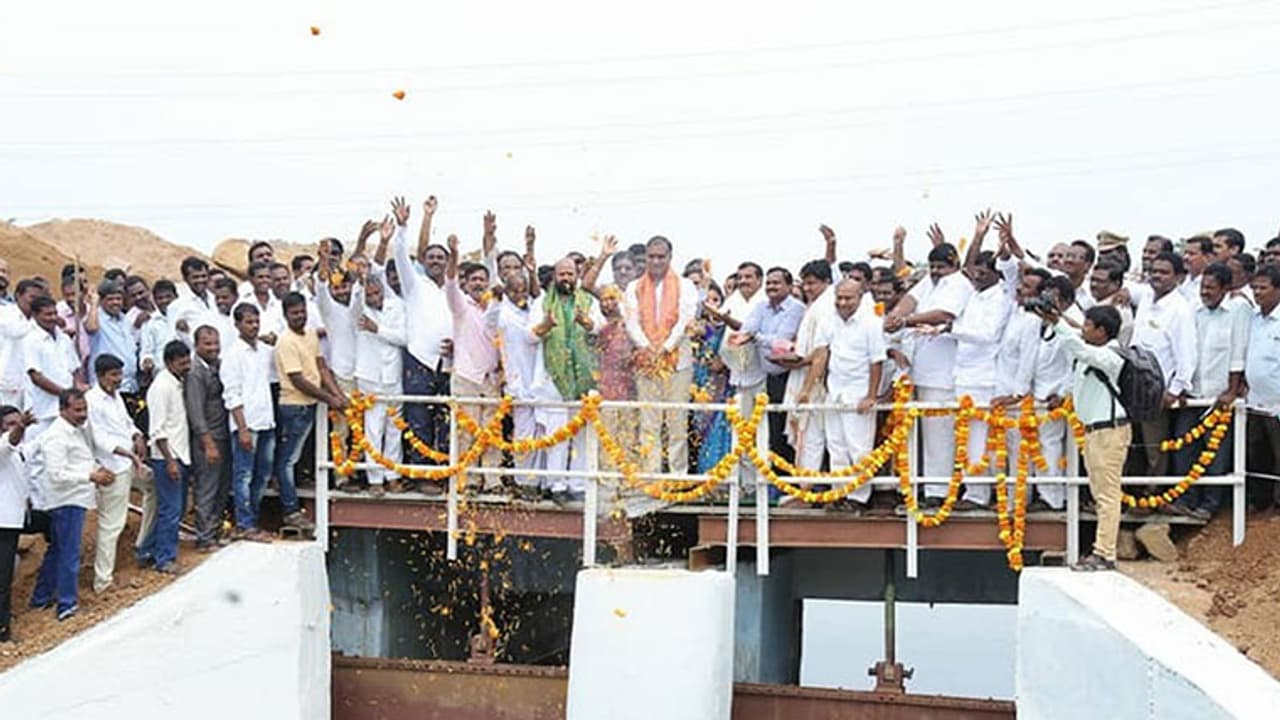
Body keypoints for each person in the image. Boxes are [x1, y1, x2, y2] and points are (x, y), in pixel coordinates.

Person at [1041, 304, 1129, 571]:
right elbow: (1077, 378)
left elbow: (1077, 347)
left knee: (1107, 495)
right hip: (1095, 431)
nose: (1084, 330)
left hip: (1109, 431)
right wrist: (1062, 397)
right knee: (1101, 492)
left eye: (1088, 326)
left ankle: (1105, 553)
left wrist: (1057, 322)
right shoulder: (1092, 355)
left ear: (1102, 331)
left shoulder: (1111, 355)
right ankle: (1102, 551)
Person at [884, 243, 972, 506]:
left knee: (940, 436)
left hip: (943, 374)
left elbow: (944, 314)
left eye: (941, 267)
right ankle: (921, 488)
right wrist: (894, 316)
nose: (936, 271)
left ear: (954, 265)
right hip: (919, 371)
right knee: (921, 436)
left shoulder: (958, 284)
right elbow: (909, 300)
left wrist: (904, 321)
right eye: (932, 266)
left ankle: (939, 493)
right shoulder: (930, 282)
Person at [1170, 263, 1247, 520]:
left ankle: (1209, 505)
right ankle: (1185, 499)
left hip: (1219, 396)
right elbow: (1185, 351)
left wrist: (1232, 390)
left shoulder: (1238, 310)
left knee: (1215, 453)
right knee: (1184, 448)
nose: (1205, 292)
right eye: (1203, 287)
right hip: (1193, 393)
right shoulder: (1194, 310)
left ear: (1226, 288)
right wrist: (1180, 386)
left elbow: (1238, 353)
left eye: (1211, 288)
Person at [31, 389, 115, 618]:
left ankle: (41, 597)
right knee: (69, 553)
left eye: (84, 409)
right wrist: (91, 476)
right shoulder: (57, 436)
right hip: (66, 501)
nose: (83, 414)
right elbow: (56, 474)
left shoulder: (76, 431)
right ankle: (67, 605)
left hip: (74, 498)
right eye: (77, 410)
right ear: (62, 410)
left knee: (58, 550)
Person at [804, 279, 886, 509]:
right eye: (839, 298)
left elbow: (876, 361)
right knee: (836, 446)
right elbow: (820, 356)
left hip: (859, 393)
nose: (843, 302)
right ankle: (838, 493)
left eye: (848, 298)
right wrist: (806, 390)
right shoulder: (829, 321)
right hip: (835, 392)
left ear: (860, 297)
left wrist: (871, 395)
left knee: (859, 448)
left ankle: (858, 497)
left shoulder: (871, 323)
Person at [624, 236, 699, 474]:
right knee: (649, 422)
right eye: (651, 256)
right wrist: (648, 347)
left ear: (670, 257)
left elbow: (685, 320)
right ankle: (651, 476)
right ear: (645, 257)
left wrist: (665, 348)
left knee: (677, 422)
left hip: (678, 363)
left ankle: (678, 475)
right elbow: (631, 322)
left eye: (661, 256)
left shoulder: (685, 285)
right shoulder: (633, 287)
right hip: (646, 363)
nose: (656, 261)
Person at [391, 197, 454, 463]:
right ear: (423, 261)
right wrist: (403, 227)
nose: (436, 261)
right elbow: (400, 255)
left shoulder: (454, 288)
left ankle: (442, 472)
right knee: (418, 418)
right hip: (418, 360)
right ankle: (421, 472)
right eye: (431, 257)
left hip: (449, 363)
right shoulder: (414, 284)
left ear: (449, 262)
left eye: (441, 257)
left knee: (446, 419)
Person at [535, 257, 603, 498]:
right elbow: (530, 335)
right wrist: (545, 324)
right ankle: (556, 484)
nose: (566, 278)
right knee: (558, 433)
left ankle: (578, 484)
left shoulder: (588, 301)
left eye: (570, 274)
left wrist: (587, 322)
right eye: (561, 274)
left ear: (577, 276)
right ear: (555, 276)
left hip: (583, 377)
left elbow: (600, 329)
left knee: (582, 433)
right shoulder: (541, 302)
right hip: (553, 378)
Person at [947, 249, 1009, 508]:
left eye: (984, 273)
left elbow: (988, 334)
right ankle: (976, 491)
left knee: (982, 439)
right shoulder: (974, 295)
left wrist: (952, 330)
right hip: (964, 375)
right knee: (967, 436)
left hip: (985, 377)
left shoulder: (1001, 298)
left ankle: (979, 494)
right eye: (975, 273)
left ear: (997, 274)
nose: (978, 277)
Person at [275, 292, 341, 527]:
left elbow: (322, 366)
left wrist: (337, 394)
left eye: (302, 311)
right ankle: (291, 511)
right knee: (287, 461)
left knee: (297, 458)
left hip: (310, 405)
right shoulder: (285, 341)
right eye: (294, 313)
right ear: (285, 315)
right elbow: (297, 379)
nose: (300, 316)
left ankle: (293, 505)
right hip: (294, 406)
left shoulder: (311, 334)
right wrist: (329, 398)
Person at [1129, 252, 1197, 479]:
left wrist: (1174, 390)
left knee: (1154, 448)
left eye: (1164, 272)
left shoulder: (1180, 310)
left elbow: (1186, 355)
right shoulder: (1147, 298)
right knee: (1133, 446)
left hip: (1157, 392)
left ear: (1178, 277)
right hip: (1133, 387)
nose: (1157, 276)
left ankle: (1154, 493)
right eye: (1154, 271)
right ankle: (1136, 494)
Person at [85, 353, 147, 592]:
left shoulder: (116, 397)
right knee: (112, 525)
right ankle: (103, 581)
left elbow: (125, 423)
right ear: (100, 376)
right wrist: (129, 454)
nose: (118, 379)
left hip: (129, 463)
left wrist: (137, 435)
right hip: (112, 466)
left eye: (120, 374)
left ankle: (143, 545)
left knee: (155, 489)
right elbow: (99, 439)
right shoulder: (92, 400)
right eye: (113, 375)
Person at [445, 232, 502, 481]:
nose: (479, 284)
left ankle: (492, 481)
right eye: (474, 280)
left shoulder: (496, 307)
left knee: (491, 431)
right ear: (466, 284)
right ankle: (466, 482)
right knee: (466, 432)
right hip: (466, 377)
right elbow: (449, 282)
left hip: (492, 379)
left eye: (483, 280)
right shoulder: (460, 306)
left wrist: (489, 237)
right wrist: (455, 255)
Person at [738, 267, 805, 469]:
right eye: (768, 283)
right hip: (768, 377)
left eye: (776, 283)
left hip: (791, 375)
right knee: (773, 430)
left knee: (790, 429)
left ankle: (794, 482)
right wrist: (750, 334)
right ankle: (777, 482)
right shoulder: (761, 307)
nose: (771, 287)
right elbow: (747, 328)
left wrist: (755, 337)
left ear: (789, 286)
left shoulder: (797, 308)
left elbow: (781, 342)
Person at [221, 304, 277, 537]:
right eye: (248, 322)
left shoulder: (263, 350)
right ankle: (244, 523)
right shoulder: (232, 355)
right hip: (247, 425)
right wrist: (242, 428)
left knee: (263, 474)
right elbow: (231, 395)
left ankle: (251, 519)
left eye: (256, 322)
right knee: (244, 475)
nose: (254, 326)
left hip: (266, 421)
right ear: (237, 324)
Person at [351, 270, 407, 495]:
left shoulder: (397, 306)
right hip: (370, 376)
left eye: (377, 293)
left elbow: (403, 338)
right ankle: (375, 480)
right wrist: (359, 281)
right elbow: (355, 298)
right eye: (370, 295)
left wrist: (378, 330)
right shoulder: (358, 310)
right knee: (373, 428)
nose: (374, 298)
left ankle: (392, 476)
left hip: (393, 375)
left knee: (394, 428)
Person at [139, 341, 192, 574]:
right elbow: (157, 430)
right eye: (182, 362)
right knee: (171, 510)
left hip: (179, 453)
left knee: (172, 508)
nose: (187, 366)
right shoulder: (161, 387)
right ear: (170, 362)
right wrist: (170, 461)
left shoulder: (175, 383)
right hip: (167, 457)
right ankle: (165, 559)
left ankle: (147, 550)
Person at [185, 326, 232, 551]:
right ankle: (203, 537)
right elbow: (196, 412)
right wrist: (208, 443)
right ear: (197, 345)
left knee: (222, 487)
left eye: (215, 343)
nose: (213, 348)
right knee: (207, 488)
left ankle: (214, 532)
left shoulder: (217, 366)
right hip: (208, 440)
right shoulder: (195, 373)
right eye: (207, 344)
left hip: (223, 435)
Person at [1243, 265, 1280, 510]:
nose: (1257, 293)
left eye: (1263, 288)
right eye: (1254, 287)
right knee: (1257, 454)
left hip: (1277, 402)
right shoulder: (1253, 318)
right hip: (1254, 400)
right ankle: (1260, 501)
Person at [23, 295, 82, 439]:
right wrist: (64, 394)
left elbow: (74, 370)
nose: (53, 317)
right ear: (36, 315)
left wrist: (73, 394)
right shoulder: (31, 340)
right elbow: (36, 377)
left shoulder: (64, 338)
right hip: (42, 410)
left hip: (66, 410)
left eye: (55, 313)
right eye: (48, 314)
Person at [0, 405, 36, 641]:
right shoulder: (4, 446)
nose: (15, 427)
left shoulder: (20, 450)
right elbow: (9, 442)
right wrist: (21, 427)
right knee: (2, 578)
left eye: (17, 422)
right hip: (3, 522)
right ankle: (3, 631)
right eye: (9, 423)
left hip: (16, 518)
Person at [690, 283, 732, 474]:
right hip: (699, 382)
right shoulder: (702, 328)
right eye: (708, 301)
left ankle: (719, 476)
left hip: (721, 385)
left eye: (716, 300)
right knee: (699, 428)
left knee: (718, 427)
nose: (712, 305)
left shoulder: (727, 329)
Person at [84, 280, 139, 395]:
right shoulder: (96, 317)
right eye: (110, 299)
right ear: (102, 301)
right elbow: (91, 328)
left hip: (129, 385)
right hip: (107, 387)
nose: (115, 302)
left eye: (118, 299)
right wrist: (94, 303)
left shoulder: (125, 319)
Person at [169, 256, 218, 345]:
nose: (200, 280)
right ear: (185, 279)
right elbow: (174, 337)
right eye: (195, 277)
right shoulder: (177, 306)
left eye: (203, 276)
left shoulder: (216, 299)